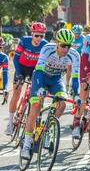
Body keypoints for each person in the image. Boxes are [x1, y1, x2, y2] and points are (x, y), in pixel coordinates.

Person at [21, 29, 81, 159]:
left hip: (56, 80)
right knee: (35, 108)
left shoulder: (75, 55)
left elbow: (76, 77)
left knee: (62, 104)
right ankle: (26, 145)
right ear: (57, 43)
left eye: (69, 46)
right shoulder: (47, 49)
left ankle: (48, 128)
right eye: (63, 45)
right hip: (41, 78)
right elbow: (39, 70)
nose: (66, 49)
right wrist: (39, 89)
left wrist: (77, 95)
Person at [6, 22, 48, 135]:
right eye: (36, 35)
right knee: (17, 92)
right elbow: (16, 58)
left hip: (34, 69)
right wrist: (19, 74)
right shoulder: (24, 40)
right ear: (32, 33)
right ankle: (10, 122)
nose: (39, 38)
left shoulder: (45, 44)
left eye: (42, 35)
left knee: (36, 95)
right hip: (22, 68)